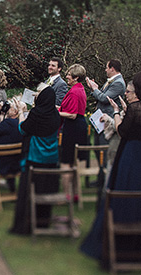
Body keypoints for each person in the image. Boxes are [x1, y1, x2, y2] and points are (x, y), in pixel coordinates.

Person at [80, 73, 141, 267]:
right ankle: (136, 248)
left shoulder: (136, 108)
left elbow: (123, 131)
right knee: (140, 197)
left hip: (130, 157)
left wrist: (117, 112)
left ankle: (115, 247)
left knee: (121, 195)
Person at [9, 87, 61, 234]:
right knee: (46, 191)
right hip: (51, 158)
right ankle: (43, 221)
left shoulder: (36, 114)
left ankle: (24, 225)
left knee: (28, 192)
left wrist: (20, 112)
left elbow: (22, 129)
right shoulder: (55, 114)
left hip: (36, 156)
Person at [58, 63, 88, 201]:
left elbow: (72, 114)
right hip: (80, 126)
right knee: (76, 161)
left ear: (76, 77)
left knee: (67, 161)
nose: (67, 77)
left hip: (73, 127)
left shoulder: (74, 91)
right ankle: (76, 194)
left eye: (69, 75)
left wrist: (56, 112)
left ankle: (67, 195)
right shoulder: (80, 89)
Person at [86, 59, 126, 146]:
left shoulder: (118, 83)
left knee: (103, 149)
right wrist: (93, 89)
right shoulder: (112, 81)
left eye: (106, 68)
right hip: (101, 120)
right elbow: (101, 95)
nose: (105, 70)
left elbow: (104, 98)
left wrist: (95, 89)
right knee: (97, 146)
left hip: (108, 121)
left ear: (112, 69)